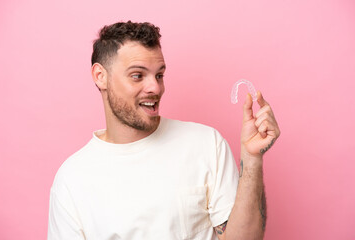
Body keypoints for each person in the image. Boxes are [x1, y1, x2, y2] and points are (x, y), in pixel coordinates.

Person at [47, 21, 280, 240]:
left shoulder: (206, 144)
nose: (155, 87)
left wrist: (252, 159)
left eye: (159, 75)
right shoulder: (72, 179)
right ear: (101, 77)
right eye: (137, 75)